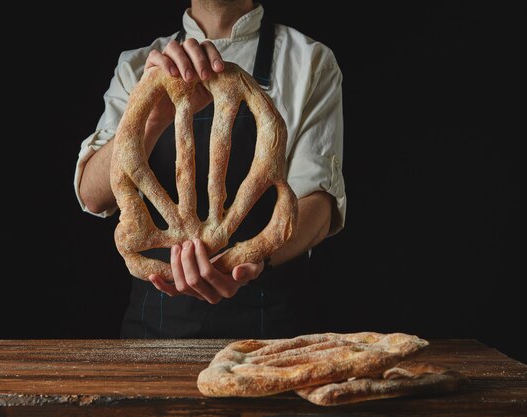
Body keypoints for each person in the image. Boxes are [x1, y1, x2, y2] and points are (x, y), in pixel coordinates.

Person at [74, 0, 346, 339]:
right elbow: (92, 194)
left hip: (272, 333)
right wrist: (153, 118)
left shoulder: (311, 62)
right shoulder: (138, 66)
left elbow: (318, 203)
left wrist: (255, 258)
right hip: (153, 335)